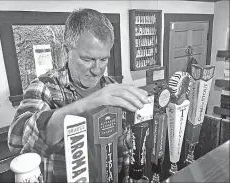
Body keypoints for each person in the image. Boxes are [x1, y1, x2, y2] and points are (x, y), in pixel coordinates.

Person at [8, 8, 149, 183]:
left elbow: (124, 148)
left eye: (104, 59)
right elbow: (16, 140)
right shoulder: (45, 87)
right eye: (87, 59)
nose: (97, 70)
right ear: (67, 50)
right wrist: (89, 102)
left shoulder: (112, 87)